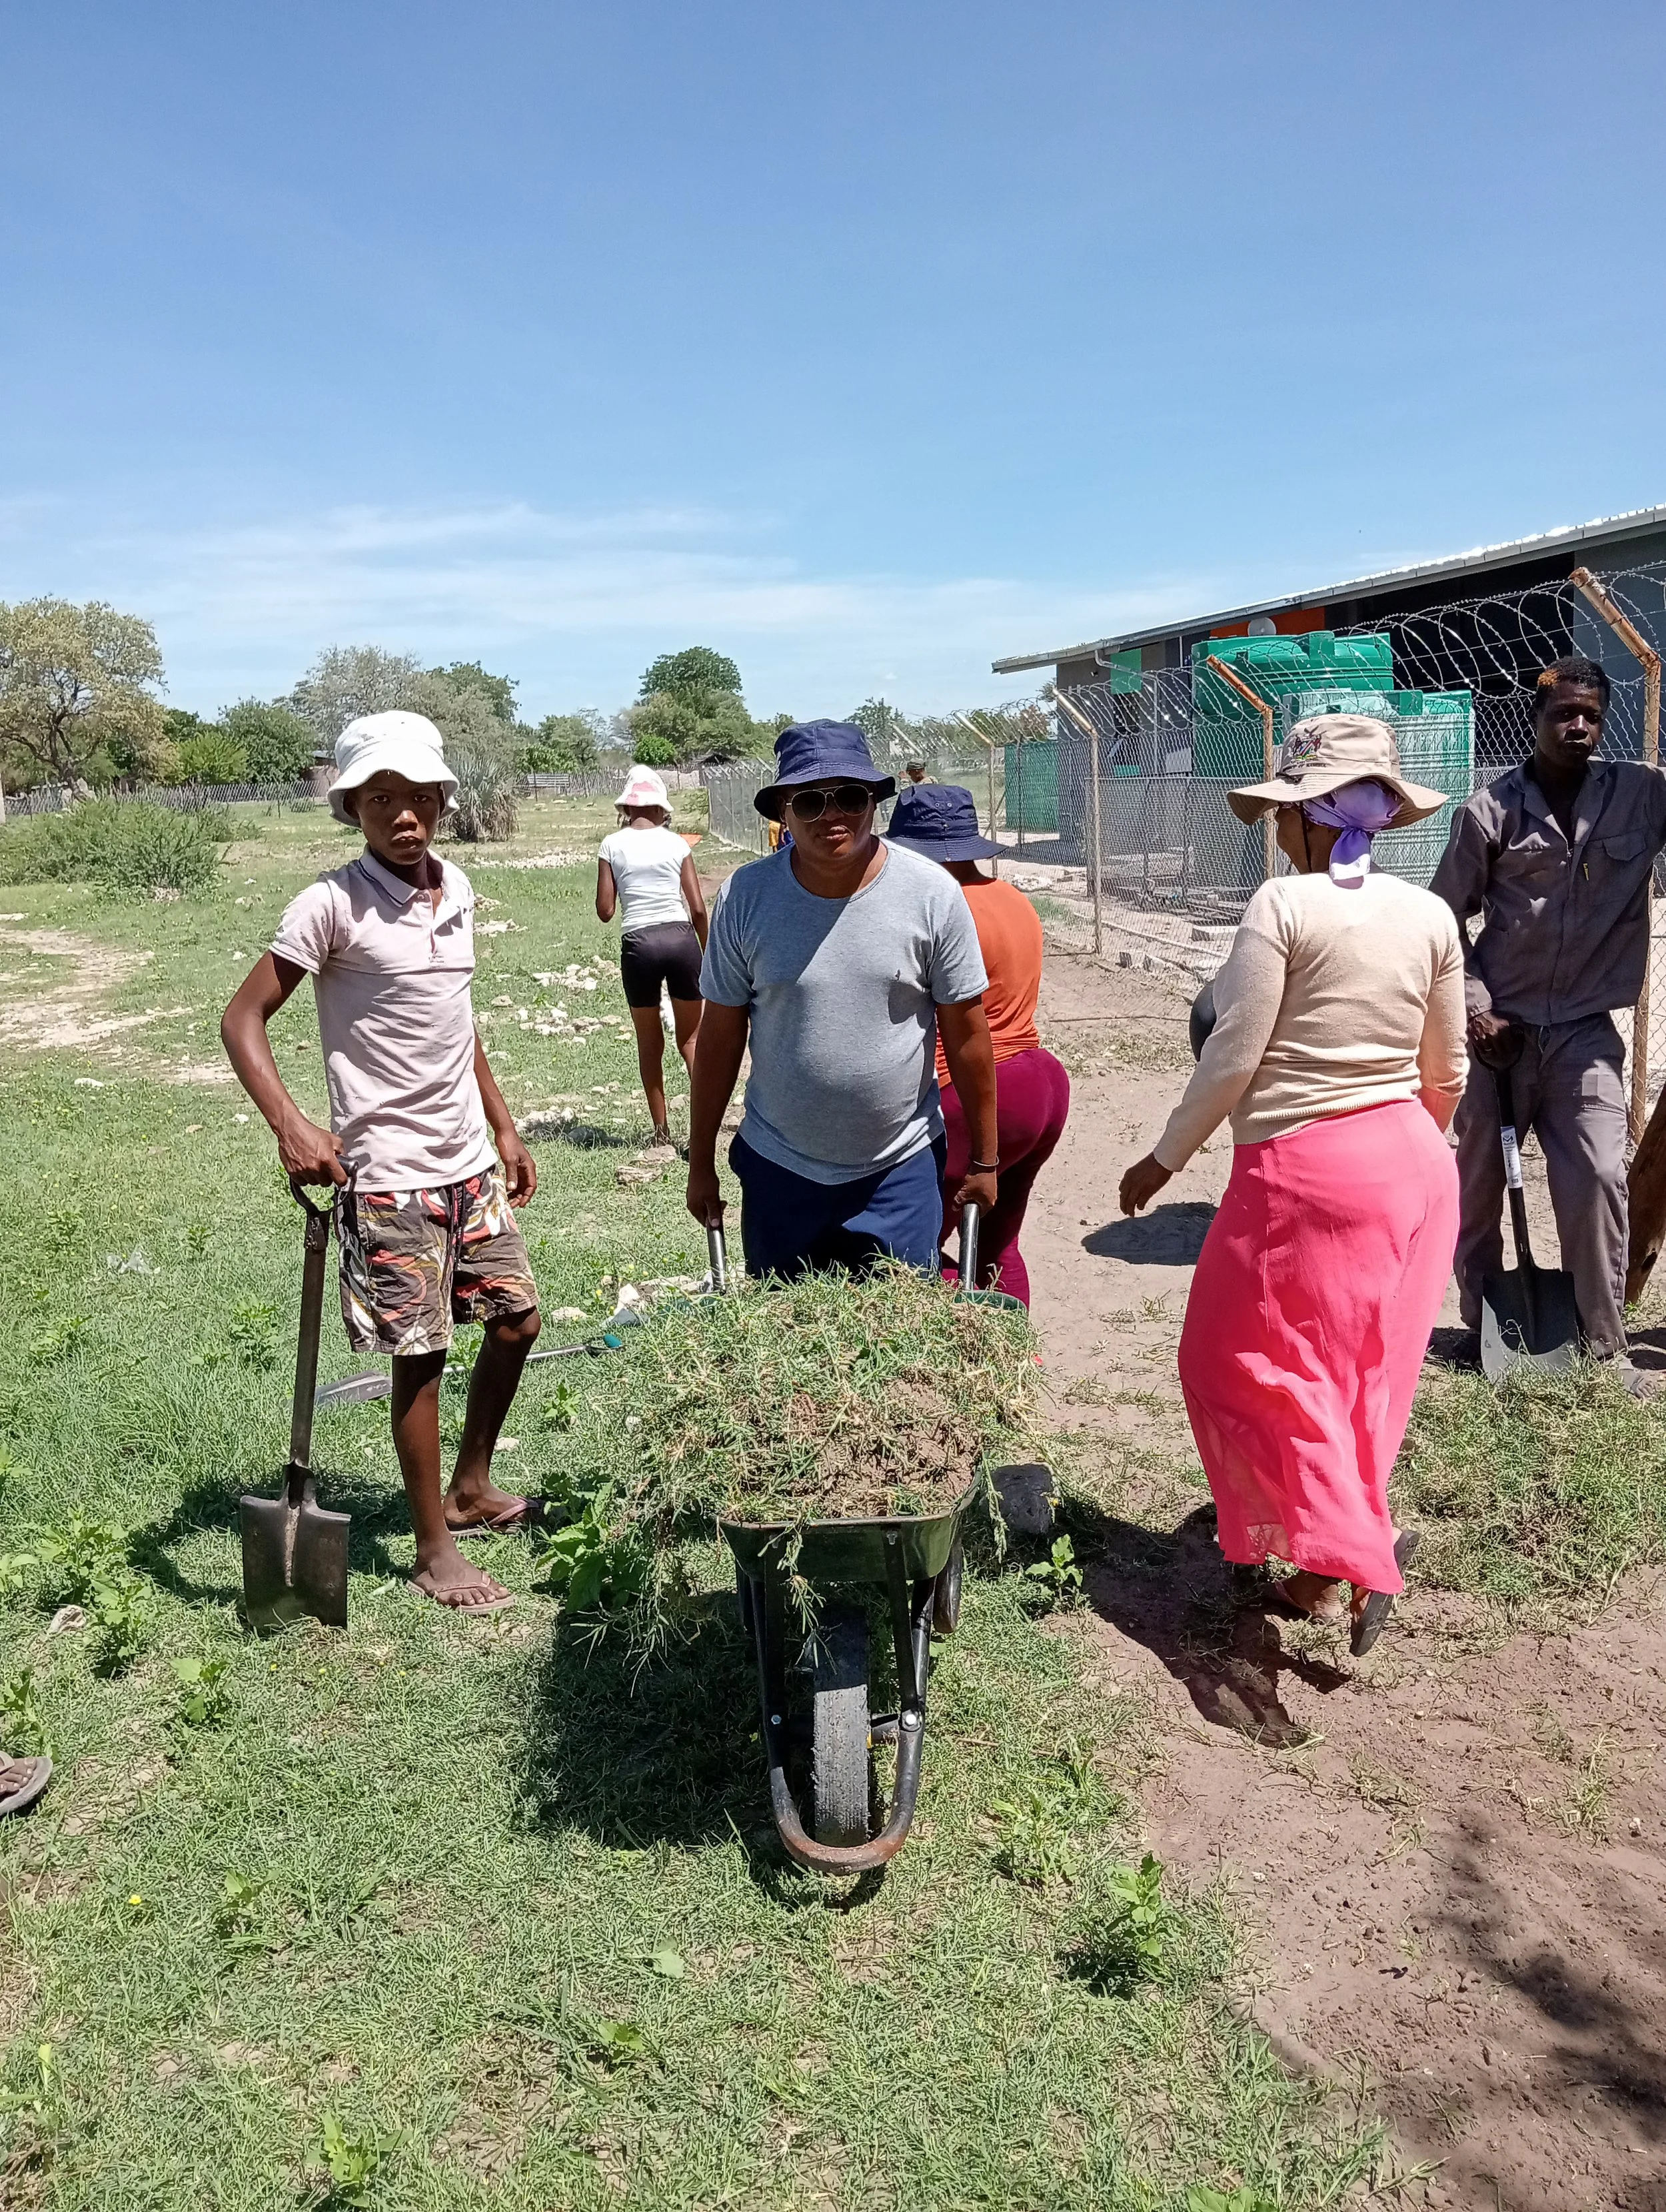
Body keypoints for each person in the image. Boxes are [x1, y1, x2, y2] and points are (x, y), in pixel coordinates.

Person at [1120, 716, 1466, 1654]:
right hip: (1416, 1164)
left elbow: (1236, 1053)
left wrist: (1163, 1158)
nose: (1275, 832)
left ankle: (1359, 1544)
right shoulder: (1430, 914)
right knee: (1367, 1373)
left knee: (1239, 1362)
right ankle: (1320, 1573)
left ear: (1315, 819)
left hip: (1305, 1167)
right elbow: (1448, 1069)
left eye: (1284, 815)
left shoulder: (1284, 905)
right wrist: (1403, 1155)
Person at [221, 711, 542, 1615]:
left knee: (516, 1321)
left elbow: (456, 1021)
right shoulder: (329, 904)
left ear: (443, 800)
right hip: (390, 1172)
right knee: (421, 1353)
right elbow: (242, 1019)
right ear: (353, 808)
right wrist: (292, 1127)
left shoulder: (458, 888)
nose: (402, 815)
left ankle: (471, 1486)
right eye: (379, 799)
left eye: (416, 797)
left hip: (468, 1161)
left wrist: (505, 1125)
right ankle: (433, 1548)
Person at [686, 720, 999, 1279]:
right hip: (780, 1169)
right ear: (783, 810)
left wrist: (985, 1158)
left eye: (851, 797)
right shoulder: (746, 897)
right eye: (810, 801)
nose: (833, 815)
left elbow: (969, 1034)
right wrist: (702, 1160)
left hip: (898, 1171)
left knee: (905, 1348)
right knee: (784, 1342)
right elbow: (720, 1037)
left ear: (874, 802)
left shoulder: (931, 895)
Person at [1431, 653, 1666, 1392]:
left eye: (1590, 714)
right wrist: (1475, 1007)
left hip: (1585, 1035)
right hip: (1498, 1037)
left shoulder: (1642, 797)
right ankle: (1483, 1326)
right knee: (1475, 1185)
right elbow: (1440, 918)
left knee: (1597, 1174)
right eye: (1563, 712)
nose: (1577, 726)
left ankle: (1604, 1348)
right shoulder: (1488, 812)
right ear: (1534, 721)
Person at [884, 782, 1070, 1305]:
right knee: (997, 1244)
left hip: (972, 1093)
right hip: (1040, 1080)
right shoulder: (1012, 899)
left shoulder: (938, 911)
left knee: (905, 1251)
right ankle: (1014, 1361)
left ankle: (966, 1352)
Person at [595, 766, 708, 1147]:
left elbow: (606, 910)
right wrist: (707, 951)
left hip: (639, 945)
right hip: (680, 940)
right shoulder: (677, 844)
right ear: (661, 810)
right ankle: (703, 1132)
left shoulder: (611, 845)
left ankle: (661, 1133)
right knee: (691, 1040)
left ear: (627, 809)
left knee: (650, 1044)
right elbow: (696, 909)